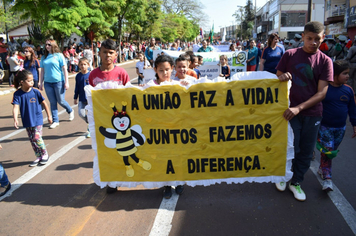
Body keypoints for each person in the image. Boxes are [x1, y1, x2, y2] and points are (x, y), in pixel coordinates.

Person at [275, 21, 333, 201]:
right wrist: (281, 76)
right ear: (303, 37)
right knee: (290, 146)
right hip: (288, 111)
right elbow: (276, 76)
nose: (313, 42)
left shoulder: (326, 61)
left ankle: (296, 182)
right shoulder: (290, 55)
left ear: (322, 38)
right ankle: (282, 175)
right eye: (309, 38)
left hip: (311, 113)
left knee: (306, 152)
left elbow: (322, 93)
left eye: (317, 39)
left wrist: (299, 108)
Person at [316, 60, 356, 191]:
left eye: (348, 74)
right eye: (344, 73)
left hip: (340, 129)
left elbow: (352, 110)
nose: (348, 76)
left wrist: (354, 124)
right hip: (325, 127)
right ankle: (327, 179)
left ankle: (322, 169)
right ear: (335, 74)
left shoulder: (348, 90)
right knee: (328, 152)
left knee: (332, 151)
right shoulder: (324, 88)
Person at [152, 55, 186, 198]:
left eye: (167, 69)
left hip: (176, 129)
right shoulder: (151, 86)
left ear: (172, 69)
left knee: (177, 157)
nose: (164, 73)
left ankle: (179, 183)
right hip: (160, 131)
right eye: (161, 70)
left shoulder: (178, 85)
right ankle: (166, 185)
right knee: (164, 158)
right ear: (155, 70)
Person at [12, 70, 52, 167]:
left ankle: (45, 154)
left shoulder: (35, 91)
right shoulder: (17, 94)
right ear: (22, 81)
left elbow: (44, 103)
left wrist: (49, 115)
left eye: (32, 80)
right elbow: (16, 107)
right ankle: (38, 156)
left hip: (37, 119)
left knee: (37, 137)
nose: (32, 82)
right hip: (27, 120)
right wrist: (15, 118)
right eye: (29, 81)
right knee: (32, 140)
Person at [40, 39, 74, 129]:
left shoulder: (59, 56)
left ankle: (70, 110)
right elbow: (42, 71)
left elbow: (64, 69)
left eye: (49, 45)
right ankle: (55, 120)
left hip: (58, 81)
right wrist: (40, 82)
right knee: (52, 102)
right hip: (47, 83)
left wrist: (66, 82)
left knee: (61, 100)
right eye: (46, 45)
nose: (47, 46)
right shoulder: (44, 57)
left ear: (54, 45)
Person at [74, 58, 91, 138]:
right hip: (82, 98)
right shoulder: (78, 76)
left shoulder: (91, 75)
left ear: (88, 65)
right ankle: (89, 122)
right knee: (81, 113)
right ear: (79, 66)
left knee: (91, 113)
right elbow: (77, 87)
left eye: (85, 64)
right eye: (81, 64)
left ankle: (90, 129)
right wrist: (75, 97)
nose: (83, 66)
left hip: (90, 98)